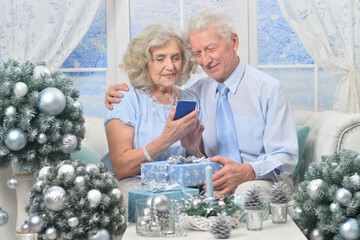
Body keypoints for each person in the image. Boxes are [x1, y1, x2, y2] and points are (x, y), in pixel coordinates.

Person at [105, 9, 298, 199]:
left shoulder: (269, 90)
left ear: (234, 42)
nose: (205, 60)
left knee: (244, 194)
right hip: (207, 183)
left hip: (259, 178)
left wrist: (246, 171)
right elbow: (196, 157)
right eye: (197, 52)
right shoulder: (196, 94)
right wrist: (192, 150)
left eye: (211, 48)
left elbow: (285, 157)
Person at [102, 22, 205, 211]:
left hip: (184, 189)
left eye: (176, 57)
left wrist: (193, 151)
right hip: (139, 188)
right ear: (144, 63)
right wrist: (166, 140)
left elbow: (200, 164)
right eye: (160, 58)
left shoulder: (192, 99)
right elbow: (121, 167)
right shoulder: (125, 98)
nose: (170, 66)